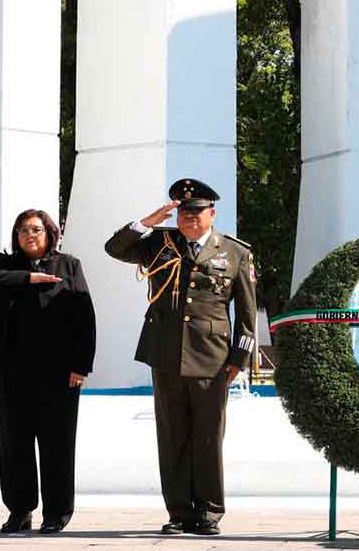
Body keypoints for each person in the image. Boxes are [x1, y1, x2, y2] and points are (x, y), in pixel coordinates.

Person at [104, 178, 257, 536]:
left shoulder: (234, 253)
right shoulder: (160, 242)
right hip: (166, 353)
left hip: (212, 356)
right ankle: (178, 512)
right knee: (171, 436)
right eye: (182, 212)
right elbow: (114, 248)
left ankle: (208, 511)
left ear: (212, 213)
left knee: (207, 437)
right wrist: (151, 220)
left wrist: (239, 358)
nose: (188, 218)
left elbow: (248, 313)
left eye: (196, 212)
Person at [0, 209, 96, 534]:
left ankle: (56, 512)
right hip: (11, 367)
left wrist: (80, 365)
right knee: (14, 441)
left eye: (37, 229)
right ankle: (20, 510)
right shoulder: (5, 263)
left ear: (50, 233)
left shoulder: (68, 264)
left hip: (58, 370)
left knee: (57, 442)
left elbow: (84, 315)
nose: (30, 235)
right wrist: (27, 278)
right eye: (23, 230)